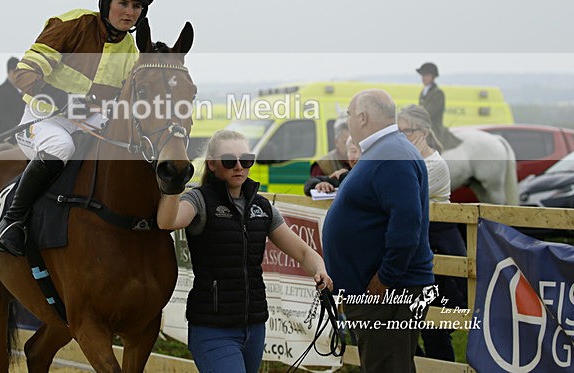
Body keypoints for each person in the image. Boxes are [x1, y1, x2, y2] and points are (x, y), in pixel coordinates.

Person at [0, 0, 158, 256]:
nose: (129, 12)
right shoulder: (72, 23)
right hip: (44, 117)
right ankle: (12, 220)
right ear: (106, 2)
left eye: (137, 6)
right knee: (60, 146)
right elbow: (25, 75)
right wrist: (67, 103)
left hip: (91, 118)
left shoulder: (131, 50)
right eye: (123, 3)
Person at [157, 129, 332, 373]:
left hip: (254, 328)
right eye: (229, 161)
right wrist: (173, 186)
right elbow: (168, 221)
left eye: (246, 160)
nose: (239, 166)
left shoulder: (262, 207)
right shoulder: (199, 200)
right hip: (212, 329)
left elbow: (303, 253)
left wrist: (320, 270)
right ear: (213, 164)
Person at [322, 90, 434, 373]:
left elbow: (407, 224)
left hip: (387, 294)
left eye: (348, 115)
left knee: (386, 367)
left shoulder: (392, 154)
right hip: (378, 293)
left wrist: (387, 278)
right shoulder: (385, 150)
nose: (347, 121)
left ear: (363, 117)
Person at [398, 104, 467, 362]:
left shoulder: (435, 165)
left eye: (407, 131)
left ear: (423, 133)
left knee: (434, 328)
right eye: (398, 132)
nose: (401, 137)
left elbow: (402, 195)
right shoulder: (405, 161)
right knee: (402, 323)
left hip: (440, 249)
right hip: (420, 249)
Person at [416, 62, 461, 151]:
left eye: (426, 75)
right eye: (422, 75)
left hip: (434, 127)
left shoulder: (438, 93)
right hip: (424, 126)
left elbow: (429, 113)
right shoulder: (423, 92)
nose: (423, 78)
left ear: (432, 77)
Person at [0, 56, 25, 144]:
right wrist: (17, 128)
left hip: (27, 136)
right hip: (8, 137)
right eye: (15, 72)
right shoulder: (0, 92)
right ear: (10, 72)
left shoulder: (26, 89)